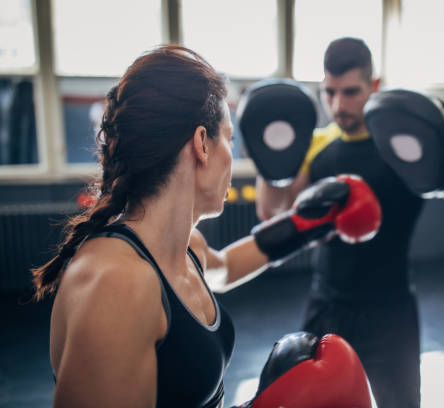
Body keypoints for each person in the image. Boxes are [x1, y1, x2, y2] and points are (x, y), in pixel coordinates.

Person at [31, 45, 379, 408]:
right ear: (202, 144)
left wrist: (309, 223)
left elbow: (225, 268)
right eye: (229, 139)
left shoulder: (185, 248)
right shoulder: (116, 283)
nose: (233, 154)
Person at [255, 37, 444, 407]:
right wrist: (273, 164)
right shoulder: (317, 146)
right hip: (326, 303)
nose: (338, 106)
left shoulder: (405, 146)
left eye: (351, 92)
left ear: (375, 86)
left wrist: (441, 148)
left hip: (391, 310)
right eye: (329, 93)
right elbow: (272, 215)